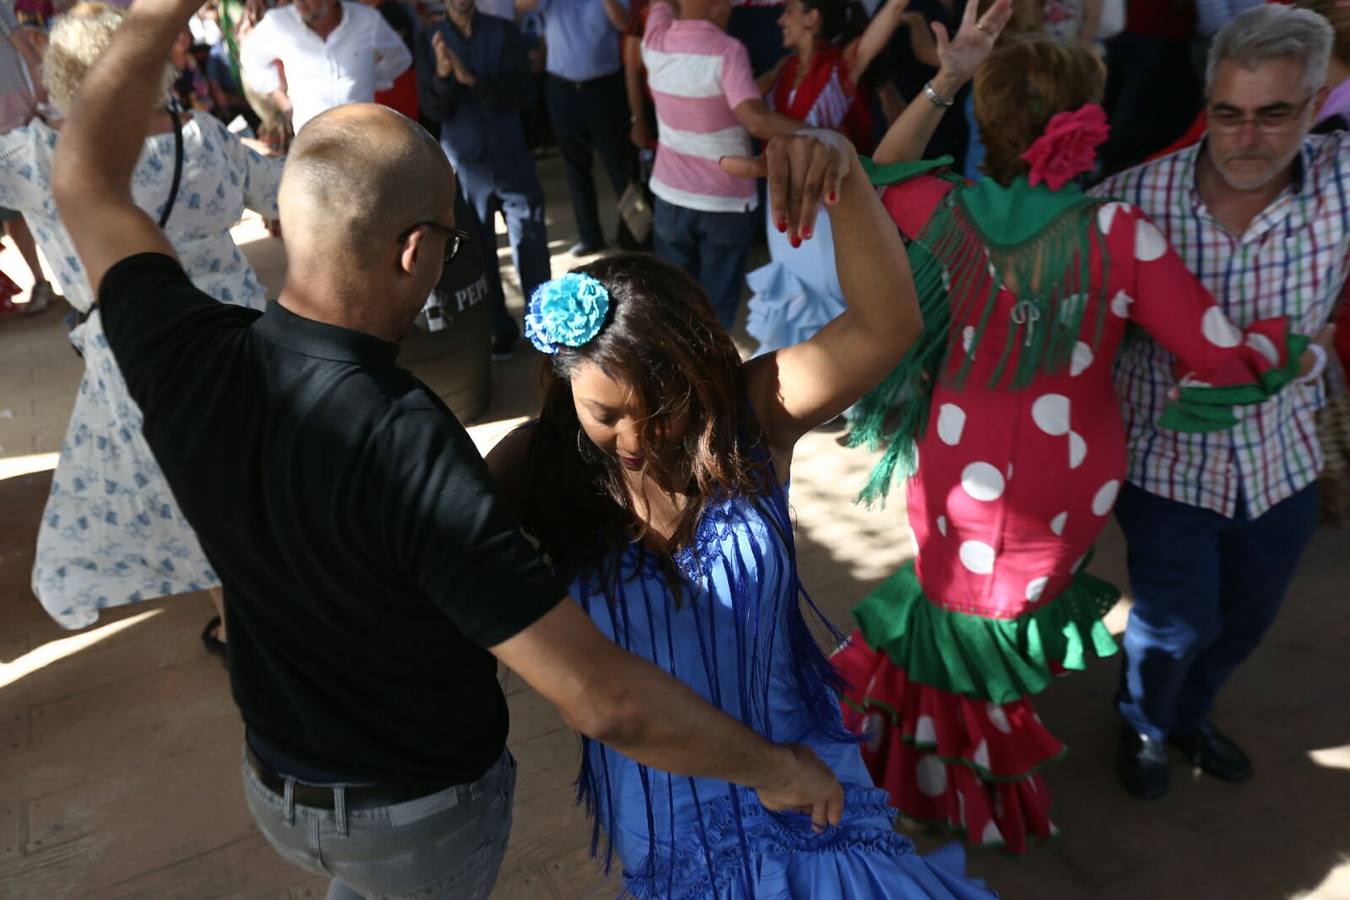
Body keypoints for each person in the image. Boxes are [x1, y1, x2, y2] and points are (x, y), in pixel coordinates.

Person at [53, 1, 852, 897]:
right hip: (413, 817)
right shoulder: (406, 445)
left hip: (276, 786)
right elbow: (601, 699)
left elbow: (84, 177)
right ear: (412, 251)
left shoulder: (183, 351)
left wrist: (159, 12)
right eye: (449, 236)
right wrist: (777, 769)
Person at [830, 34, 1320, 853]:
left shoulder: (947, 209)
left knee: (957, 614)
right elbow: (1220, 357)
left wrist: (946, 78)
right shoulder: (1123, 233)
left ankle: (936, 779)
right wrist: (1283, 345)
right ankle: (959, 770)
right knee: (996, 624)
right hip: (1069, 483)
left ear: (992, 121)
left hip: (959, 461)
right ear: (1089, 123)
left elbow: (879, 168)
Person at [485, 128, 995, 899]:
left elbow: (888, 327)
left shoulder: (752, 417)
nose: (636, 438)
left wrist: (845, 177)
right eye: (606, 412)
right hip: (665, 808)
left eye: (664, 409)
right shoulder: (532, 465)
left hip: (805, 768)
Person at [1092, 5, 1345, 801]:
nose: (1247, 138)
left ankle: (1188, 715)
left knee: (1245, 620)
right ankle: (1144, 722)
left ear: (1315, 104)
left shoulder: (1342, 185)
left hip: (1283, 462)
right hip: (1165, 463)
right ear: (1207, 103)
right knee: (1172, 620)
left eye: (1275, 114)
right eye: (1228, 113)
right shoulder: (1129, 201)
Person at [5, 3, 282, 662]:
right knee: (255, 480)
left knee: (190, 497)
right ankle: (276, 610)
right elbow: (283, 194)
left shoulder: (41, 157)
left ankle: (245, 629)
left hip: (135, 357)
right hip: (239, 339)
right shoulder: (208, 138)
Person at [746, 0, 1008, 355]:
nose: (779, 19)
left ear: (813, 17)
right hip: (782, 205)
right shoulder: (784, 69)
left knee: (832, 293)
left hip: (830, 207)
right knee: (793, 289)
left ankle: (843, 383)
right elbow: (743, 103)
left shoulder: (841, 66)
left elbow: (874, 35)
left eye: (789, 10)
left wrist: (817, 141)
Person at [642, 0, 801, 330]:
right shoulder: (727, 50)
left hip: (671, 197)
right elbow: (755, 121)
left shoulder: (654, 39)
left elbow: (659, 5)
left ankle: (676, 374)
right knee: (716, 311)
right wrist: (822, 134)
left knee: (672, 305)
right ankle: (713, 377)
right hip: (725, 200)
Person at [418, 0, 550, 359]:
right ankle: (498, 327)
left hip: (510, 156)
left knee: (531, 239)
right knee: (478, 249)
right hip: (465, 163)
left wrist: (471, 80)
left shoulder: (503, 31)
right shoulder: (431, 38)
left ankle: (545, 325)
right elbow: (431, 109)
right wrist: (445, 77)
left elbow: (524, 93)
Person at [515, 0, 633, 256]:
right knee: (575, 166)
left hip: (605, 88)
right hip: (562, 88)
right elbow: (522, 5)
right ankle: (590, 236)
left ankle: (634, 236)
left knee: (621, 167)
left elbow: (624, 23)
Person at [239, 0, 411, 134]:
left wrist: (372, 79)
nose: (300, 2)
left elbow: (399, 58)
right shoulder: (279, 23)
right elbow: (250, 59)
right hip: (311, 142)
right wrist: (280, 96)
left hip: (362, 136)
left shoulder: (367, 20)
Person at [0, 0, 56, 316]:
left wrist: (41, 94)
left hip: (20, 116)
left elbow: (26, 47)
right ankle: (40, 280)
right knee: (13, 212)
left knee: (45, 202)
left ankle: (74, 277)